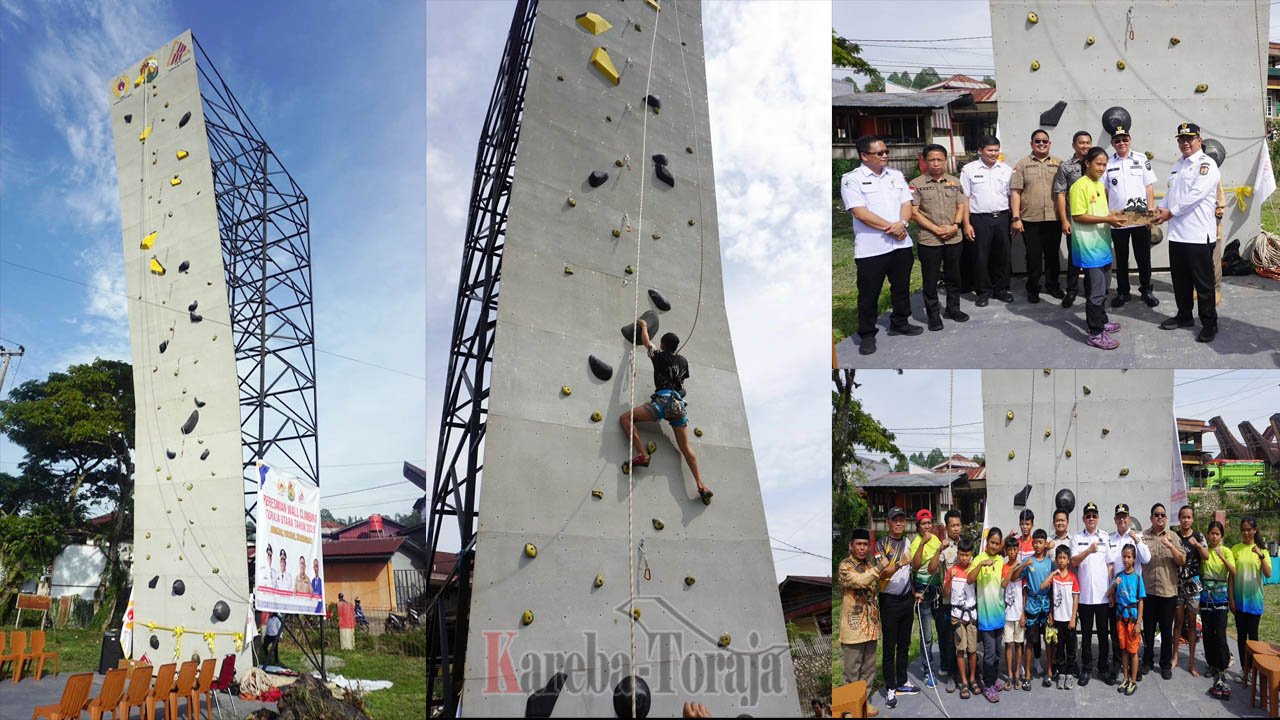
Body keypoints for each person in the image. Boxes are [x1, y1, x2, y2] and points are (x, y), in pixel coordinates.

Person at [841, 135, 921, 355]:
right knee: (869, 293)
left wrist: (902, 223)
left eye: (886, 151)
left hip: (900, 244)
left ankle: (900, 322)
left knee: (901, 287)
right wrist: (892, 227)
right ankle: (867, 334)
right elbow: (860, 212)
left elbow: (907, 203)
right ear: (864, 156)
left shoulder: (895, 176)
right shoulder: (851, 179)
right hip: (872, 248)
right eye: (880, 153)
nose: (886, 155)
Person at [618, 318, 713, 504]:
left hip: (661, 402)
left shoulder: (659, 355)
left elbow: (646, 342)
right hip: (678, 406)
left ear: (663, 344)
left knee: (625, 418)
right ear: (676, 347)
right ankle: (701, 485)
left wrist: (644, 327)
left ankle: (643, 455)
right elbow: (682, 384)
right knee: (686, 448)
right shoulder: (684, 362)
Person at [1154, 122, 1221, 343]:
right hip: (1177, 235)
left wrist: (1169, 213)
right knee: (1180, 281)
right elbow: (1171, 194)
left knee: (1203, 284)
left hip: (1198, 235)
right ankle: (1184, 316)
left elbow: (1196, 195)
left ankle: (1210, 323)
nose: (1185, 143)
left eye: (1189, 139)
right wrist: (1159, 209)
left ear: (1199, 141)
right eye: (1181, 139)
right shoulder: (1177, 165)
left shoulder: (1207, 164)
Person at [1070, 147, 1127, 350]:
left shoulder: (1099, 185)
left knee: (1103, 289)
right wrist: (1107, 219)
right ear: (1087, 163)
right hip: (1089, 247)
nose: (1102, 168)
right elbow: (1078, 216)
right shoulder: (1079, 186)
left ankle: (1101, 321)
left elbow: (1103, 212)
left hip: (1103, 244)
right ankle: (1095, 333)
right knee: (1095, 292)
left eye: (1104, 164)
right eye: (1098, 164)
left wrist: (1115, 216)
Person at [909, 144, 970, 330]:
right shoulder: (916, 184)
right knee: (930, 279)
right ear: (925, 161)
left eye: (939, 159)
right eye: (932, 160)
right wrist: (936, 229)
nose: (936, 163)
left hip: (953, 237)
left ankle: (953, 308)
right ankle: (933, 315)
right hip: (929, 239)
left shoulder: (954, 182)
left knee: (954, 276)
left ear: (945, 160)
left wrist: (955, 226)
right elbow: (914, 213)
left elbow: (961, 205)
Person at [1104, 125, 1160, 308]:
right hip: (1118, 217)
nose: (1121, 143)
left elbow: (1149, 187)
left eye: (1124, 139)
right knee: (1121, 257)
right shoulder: (1108, 163)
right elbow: (1105, 190)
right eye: (1117, 140)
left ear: (1130, 140)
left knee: (1143, 256)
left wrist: (1150, 211)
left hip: (1139, 215)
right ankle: (1123, 292)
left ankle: (1146, 290)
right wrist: (1106, 214)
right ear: (1112, 143)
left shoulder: (1141, 159)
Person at [961, 136, 1015, 307]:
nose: (993, 153)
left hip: (1002, 217)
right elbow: (964, 198)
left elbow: (1012, 196)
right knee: (980, 256)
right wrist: (966, 224)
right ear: (980, 151)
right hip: (979, 219)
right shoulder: (969, 170)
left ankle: (1001, 289)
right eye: (990, 150)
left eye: (996, 150)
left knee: (1003, 256)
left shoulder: (1006, 170)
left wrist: (1014, 218)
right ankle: (983, 292)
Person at [1011, 130, 1063, 303]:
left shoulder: (1059, 163)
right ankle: (1033, 288)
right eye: (1037, 141)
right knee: (1033, 257)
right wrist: (1016, 218)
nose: (1041, 144)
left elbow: (1065, 192)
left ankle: (1052, 285)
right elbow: (1016, 192)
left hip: (1054, 218)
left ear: (1050, 143)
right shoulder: (1022, 164)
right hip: (1030, 219)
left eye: (1045, 141)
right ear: (1031, 143)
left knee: (1052, 255)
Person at [874, 507, 919, 708]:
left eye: (902, 519)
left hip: (906, 600)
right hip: (889, 601)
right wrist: (900, 563)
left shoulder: (908, 542)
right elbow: (882, 574)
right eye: (895, 520)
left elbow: (912, 570)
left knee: (904, 644)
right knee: (889, 646)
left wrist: (914, 591)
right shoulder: (881, 544)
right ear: (888, 523)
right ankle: (890, 687)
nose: (899, 523)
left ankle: (902, 681)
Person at [839, 527, 881, 717]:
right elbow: (859, 582)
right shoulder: (844, 566)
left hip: (871, 626)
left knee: (869, 670)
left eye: (865, 544)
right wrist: (879, 569)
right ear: (851, 546)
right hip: (853, 627)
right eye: (859, 544)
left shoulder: (870, 565)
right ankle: (849, 709)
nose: (862, 548)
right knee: (852, 672)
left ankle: (863, 704)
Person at [1141, 502, 1186, 680]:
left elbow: (1181, 560)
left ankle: (1165, 664)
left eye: (1162, 515)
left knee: (1167, 630)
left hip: (1168, 592)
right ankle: (1147, 660)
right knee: (1149, 629)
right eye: (1156, 515)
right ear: (1151, 518)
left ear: (1166, 518)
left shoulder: (1173, 536)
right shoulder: (1143, 536)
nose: (1160, 517)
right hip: (1149, 592)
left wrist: (1170, 546)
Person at [1071, 501, 1113, 686]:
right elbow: (1073, 561)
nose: (1091, 518)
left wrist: (1111, 591)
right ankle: (1087, 668)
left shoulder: (1105, 537)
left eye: (1094, 515)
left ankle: (1103, 668)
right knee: (1086, 635)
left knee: (1104, 634)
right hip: (1086, 597)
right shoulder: (1076, 538)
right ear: (1083, 518)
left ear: (1098, 518)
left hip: (1103, 596)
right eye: (1088, 516)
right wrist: (1088, 550)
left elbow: (1110, 565)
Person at [1107, 503, 1150, 683]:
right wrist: (1111, 592)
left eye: (1125, 516)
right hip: (1118, 593)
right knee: (1117, 634)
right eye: (1119, 517)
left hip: (1133, 596)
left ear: (1129, 517)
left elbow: (1147, 559)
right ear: (1115, 519)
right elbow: (1110, 565)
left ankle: (1135, 668)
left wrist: (1137, 540)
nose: (1122, 519)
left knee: (1134, 635)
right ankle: (1118, 666)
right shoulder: (1111, 539)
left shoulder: (1137, 537)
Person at [1053, 131, 1093, 307]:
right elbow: (1060, 194)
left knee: (1092, 256)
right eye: (1081, 143)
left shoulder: (1096, 164)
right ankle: (1072, 291)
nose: (1084, 146)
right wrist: (1064, 220)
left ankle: (1091, 289)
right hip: (1074, 219)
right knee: (1074, 257)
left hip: (1094, 219)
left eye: (1087, 143)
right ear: (1074, 145)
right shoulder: (1066, 166)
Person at [1231, 516, 1273, 684]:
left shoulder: (1263, 551)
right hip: (1240, 601)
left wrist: (1260, 556)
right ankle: (1244, 670)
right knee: (1241, 637)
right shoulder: (1236, 549)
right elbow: (1231, 577)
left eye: (1249, 529)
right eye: (1243, 529)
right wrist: (1231, 598)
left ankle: (1255, 670)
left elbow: (1268, 573)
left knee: (1253, 638)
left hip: (1255, 601)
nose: (1246, 532)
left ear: (1255, 530)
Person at [929, 509, 964, 691]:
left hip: (965, 602)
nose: (956, 528)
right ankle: (951, 674)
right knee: (949, 639)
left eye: (958, 525)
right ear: (946, 527)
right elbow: (931, 569)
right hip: (948, 601)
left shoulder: (967, 545)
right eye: (952, 525)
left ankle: (965, 674)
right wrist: (938, 550)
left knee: (965, 639)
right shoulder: (944, 548)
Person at [1200, 520, 1235, 699]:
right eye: (1211, 533)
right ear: (1208, 534)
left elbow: (1234, 571)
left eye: (1217, 534)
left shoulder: (1226, 551)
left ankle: (1222, 666)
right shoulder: (1205, 551)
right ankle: (1211, 664)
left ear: (1221, 536)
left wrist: (1222, 557)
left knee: (1220, 634)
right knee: (1207, 633)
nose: (1214, 536)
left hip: (1221, 600)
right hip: (1206, 599)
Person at [973, 527, 1008, 702]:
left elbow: (1003, 583)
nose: (994, 546)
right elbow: (970, 579)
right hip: (986, 616)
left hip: (999, 614)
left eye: (997, 543)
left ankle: (993, 681)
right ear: (987, 542)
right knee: (989, 653)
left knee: (997, 651)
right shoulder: (978, 559)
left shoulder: (1001, 560)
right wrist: (980, 565)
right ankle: (987, 686)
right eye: (991, 542)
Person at [908, 509, 941, 687]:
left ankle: (944, 665)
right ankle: (928, 671)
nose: (927, 526)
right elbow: (916, 565)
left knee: (942, 630)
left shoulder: (936, 539)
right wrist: (922, 544)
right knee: (927, 634)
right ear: (918, 526)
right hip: (922, 589)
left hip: (937, 589)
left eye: (929, 523)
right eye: (924, 524)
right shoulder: (915, 542)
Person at [943, 537, 978, 700]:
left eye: (967, 555)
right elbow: (945, 594)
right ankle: (963, 681)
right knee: (960, 649)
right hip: (957, 616)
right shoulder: (952, 570)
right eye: (961, 554)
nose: (964, 558)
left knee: (972, 650)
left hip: (971, 615)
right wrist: (950, 579)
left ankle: (972, 678)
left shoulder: (974, 570)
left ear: (971, 555)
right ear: (958, 554)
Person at [1175, 505, 1208, 676]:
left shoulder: (1198, 536)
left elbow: (1207, 556)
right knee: (1178, 623)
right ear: (1179, 519)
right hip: (1178, 585)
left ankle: (1191, 661)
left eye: (1189, 517)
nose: (1186, 520)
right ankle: (1174, 657)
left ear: (1193, 519)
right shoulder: (1175, 536)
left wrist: (1198, 546)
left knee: (1192, 625)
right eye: (1183, 517)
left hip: (1194, 586)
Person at [1109, 544, 1146, 696]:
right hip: (1120, 619)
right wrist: (1113, 585)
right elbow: (1109, 593)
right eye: (1124, 556)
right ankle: (1125, 677)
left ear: (1134, 559)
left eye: (1129, 557)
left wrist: (1138, 622)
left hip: (1132, 620)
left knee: (1133, 651)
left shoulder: (1137, 578)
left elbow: (1141, 601)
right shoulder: (1119, 576)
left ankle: (1133, 681)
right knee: (1123, 650)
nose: (1126, 559)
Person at [1044, 543, 1080, 690]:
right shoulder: (1055, 578)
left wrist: (1073, 618)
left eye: (1064, 558)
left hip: (1069, 620)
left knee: (1071, 649)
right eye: (1059, 557)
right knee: (1059, 648)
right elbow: (1044, 587)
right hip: (1057, 620)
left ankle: (1070, 673)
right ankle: (1062, 674)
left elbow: (1076, 599)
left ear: (1069, 560)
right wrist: (1051, 614)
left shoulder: (1072, 578)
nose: (1061, 560)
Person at [1023, 529, 1054, 687]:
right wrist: (1022, 612)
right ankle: (1027, 675)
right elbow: (1021, 584)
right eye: (1034, 542)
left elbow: (1054, 588)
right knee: (1030, 641)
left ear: (1045, 543)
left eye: (1040, 542)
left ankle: (1049, 672)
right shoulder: (1028, 561)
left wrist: (1052, 613)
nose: (1037, 545)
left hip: (1046, 608)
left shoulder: (1050, 563)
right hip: (1032, 607)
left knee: (1048, 641)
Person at [1001, 535, 1028, 691]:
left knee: (1019, 644)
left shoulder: (1022, 568)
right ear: (1006, 551)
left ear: (1018, 550)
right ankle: (1009, 675)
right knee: (1008, 644)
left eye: (1014, 549)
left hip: (1018, 614)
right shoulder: (1004, 567)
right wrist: (1013, 568)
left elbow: (1024, 593)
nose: (1012, 552)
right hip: (1007, 614)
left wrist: (1023, 613)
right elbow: (1004, 584)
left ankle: (1018, 673)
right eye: (1009, 549)